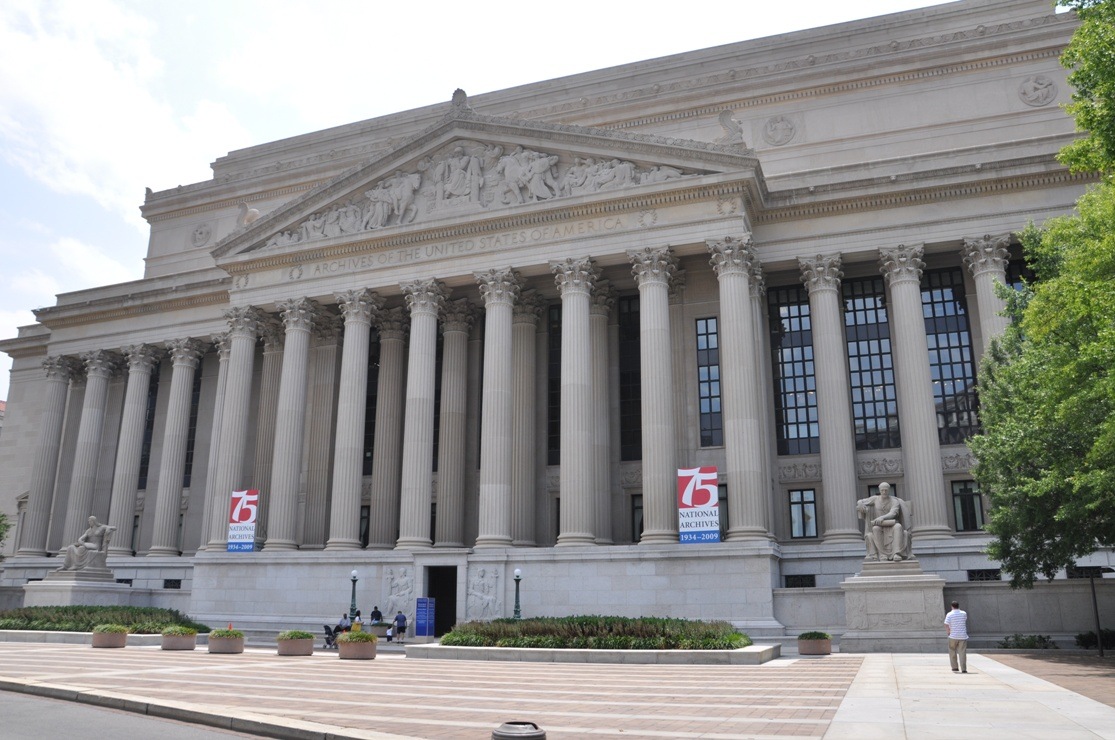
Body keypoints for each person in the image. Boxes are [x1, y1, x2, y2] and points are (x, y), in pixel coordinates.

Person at [856, 482, 912, 561]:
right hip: (879, 525)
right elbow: (861, 501)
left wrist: (882, 518)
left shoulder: (894, 501)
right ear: (880, 490)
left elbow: (893, 513)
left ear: (889, 490)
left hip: (892, 524)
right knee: (875, 529)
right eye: (882, 490)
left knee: (898, 527)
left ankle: (896, 553)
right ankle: (882, 554)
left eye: (886, 490)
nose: (884, 492)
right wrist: (860, 504)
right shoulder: (875, 499)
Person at [944, 601, 969, 673]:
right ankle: (964, 669)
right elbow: (964, 620)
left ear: (952, 606)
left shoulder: (949, 614)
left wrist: (948, 631)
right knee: (962, 653)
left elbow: (946, 624)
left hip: (953, 636)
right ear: (958, 606)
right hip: (962, 636)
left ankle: (955, 667)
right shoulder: (964, 613)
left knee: (952, 651)